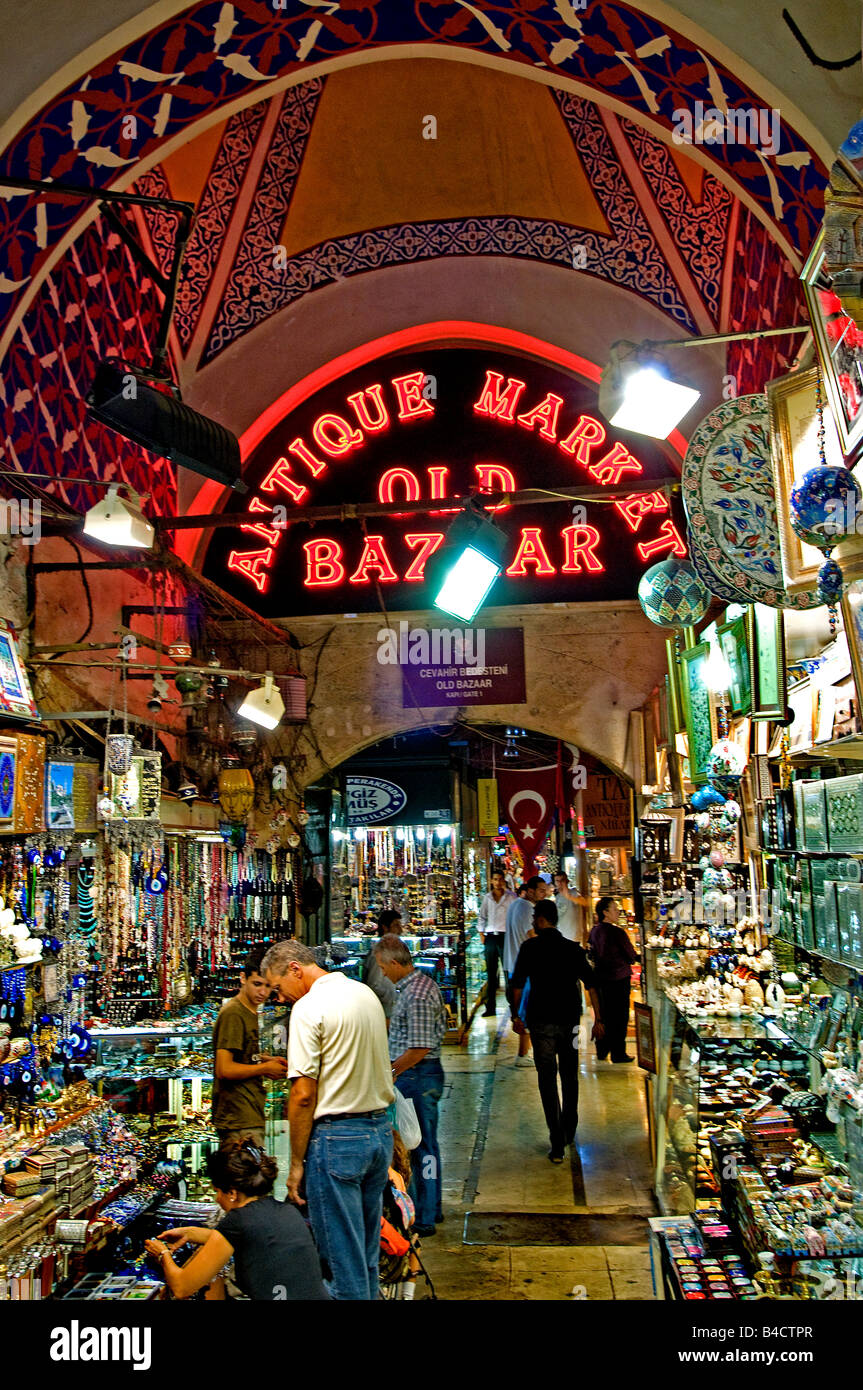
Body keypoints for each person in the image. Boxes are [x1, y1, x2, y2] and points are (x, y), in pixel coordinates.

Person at [262, 938, 394, 1301]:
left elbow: (303, 1095)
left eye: (277, 987)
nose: (279, 997)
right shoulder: (364, 993)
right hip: (377, 1132)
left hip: (338, 1140)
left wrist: (296, 1165)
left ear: (294, 969)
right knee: (365, 1254)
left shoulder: (308, 1008)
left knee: (340, 1261)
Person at [145, 1140, 329, 1300]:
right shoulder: (285, 1211)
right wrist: (191, 1233)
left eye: (217, 1191)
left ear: (232, 1193)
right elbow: (253, 1238)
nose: (217, 1199)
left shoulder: (237, 1221)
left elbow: (182, 1288)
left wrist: (162, 1254)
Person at [510, 898, 604, 1162]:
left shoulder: (529, 948)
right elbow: (592, 984)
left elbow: (517, 985)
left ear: (541, 919)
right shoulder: (572, 950)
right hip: (570, 1023)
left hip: (541, 1024)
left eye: (534, 919)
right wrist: (599, 1019)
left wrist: (516, 1015)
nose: (532, 923)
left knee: (547, 1079)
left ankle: (556, 1142)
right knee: (569, 1075)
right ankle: (569, 1130)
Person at [374, 933, 445, 1238]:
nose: (382, 973)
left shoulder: (415, 993)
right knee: (424, 1144)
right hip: (417, 1074)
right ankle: (432, 1207)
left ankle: (424, 1215)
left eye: (381, 966)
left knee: (421, 1146)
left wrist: (392, 1071)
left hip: (418, 1075)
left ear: (393, 962)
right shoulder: (414, 988)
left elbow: (419, 1047)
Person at [211, 947, 288, 1150]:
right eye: (257, 984)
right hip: (238, 1117)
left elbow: (243, 1056)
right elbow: (224, 1069)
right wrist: (264, 1069)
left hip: (249, 1112)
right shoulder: (234, 1014)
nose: (263, 992)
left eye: (269, 986)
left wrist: (264, 1060)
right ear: (243, 978)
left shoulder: (250, 1012)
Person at [589, 897, 638, 1063]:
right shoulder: (617, 933)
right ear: (605, 912)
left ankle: (602, 1049)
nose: (618, 911)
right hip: (619, 979)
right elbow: (631, 955)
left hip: (601, 979)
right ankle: (618, 1052)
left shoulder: (594, 931)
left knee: (604, 1014)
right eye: (614, 909)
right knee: (619, 1016)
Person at [503, 876, 546, 1064]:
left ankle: (524, 1052)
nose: (545, 894)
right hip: (525, 967)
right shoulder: (529, 909)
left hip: (512, 963)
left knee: (519, 1009)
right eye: (541, 891)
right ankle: (522, 1054)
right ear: (530, 891)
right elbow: (532, 935)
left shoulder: (514, 904)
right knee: (526, 1010)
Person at [477, 868, 516, 1016]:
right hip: (491, 938)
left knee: (508, 974)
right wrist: (481, 933)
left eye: (500, 879)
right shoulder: (488, 898)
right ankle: (490, 1007)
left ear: (503, 881)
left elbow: (515, 916)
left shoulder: (511, 897)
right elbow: (482, 916)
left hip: (506, 937)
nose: (498, 882)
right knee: (491, 975)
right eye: (495, 879)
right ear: (492, 881)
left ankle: (513, 1007)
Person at [362, 908, 403, 1020]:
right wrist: (393, 998)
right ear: (385, 928)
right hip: (382, 1015)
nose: (400, 930)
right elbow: (374, 985)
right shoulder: (380, 953)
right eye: (396, 925)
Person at [553, 871, 589, 944]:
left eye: (562, 880)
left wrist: (569, 897)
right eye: (557, 881)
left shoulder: (573, 892)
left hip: (573, 936)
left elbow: (585, 902)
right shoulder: (557, 897)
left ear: (567, 881)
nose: (560, 883)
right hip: (561, 935)